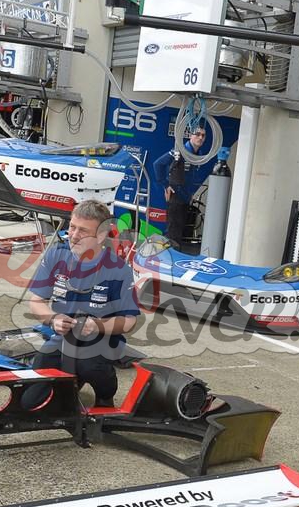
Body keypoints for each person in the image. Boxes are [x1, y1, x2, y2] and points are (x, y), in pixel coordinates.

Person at [24, 199, 140, 408]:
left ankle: (105, 394)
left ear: (101, 235)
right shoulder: (55, 256)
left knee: (89, 364)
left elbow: (130, 321)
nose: (74, 235)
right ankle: (62, 391)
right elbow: (35, 301)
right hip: (62, 337)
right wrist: (53, 319)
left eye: (83, 231)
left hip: (102, 340)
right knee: (33, 388)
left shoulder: (118, 269)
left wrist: (97, 325)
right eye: (72, 227)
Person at [151, 126, 210, 247]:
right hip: (176, 197)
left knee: (179, 233)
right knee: (173, 234)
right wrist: (165, 185)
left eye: (203, 135)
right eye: (197, 134)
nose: (200, 137)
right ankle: (169, 257)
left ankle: (173, 254)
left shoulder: (198, 155)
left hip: (185, 198)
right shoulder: (179, 151)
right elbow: (158, 164)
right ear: (190, 135)